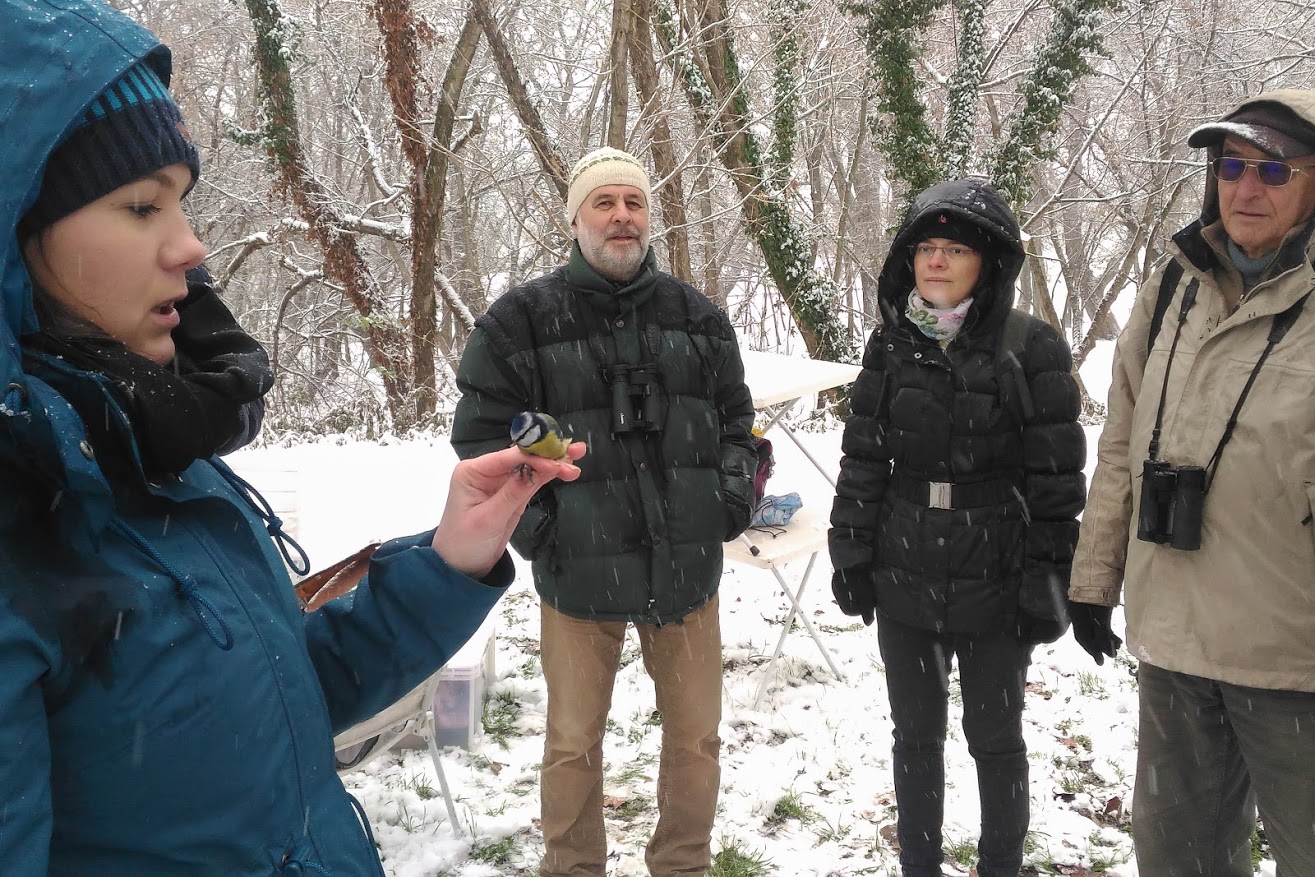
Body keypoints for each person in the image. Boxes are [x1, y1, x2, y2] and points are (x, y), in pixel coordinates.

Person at [0, 2, 583, 874]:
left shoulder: (155, 453)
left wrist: (451, 560)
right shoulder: (27, 514)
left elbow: (282, 700)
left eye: (183, 204)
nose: (190, 248)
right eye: (138, 206)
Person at [450, 146, 756, 877]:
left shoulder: (699, 319)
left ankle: (682, 864)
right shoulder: (520, 322)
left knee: (695, 739)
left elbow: (736, 423)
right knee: (570, 740)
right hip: (578, 572)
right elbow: (481, 438)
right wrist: (542, 529)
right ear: (576, 218)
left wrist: (728, 499)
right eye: (603, 203)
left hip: (685, 570)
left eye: (634, 203)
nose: (621, 217)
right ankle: (572, 866)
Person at [1069, 91, 1315, 875]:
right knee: (1178, 858)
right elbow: (1120, 442)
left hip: (1294, 657)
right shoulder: (1173, 286)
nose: (1245, 188)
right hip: (1173, 637)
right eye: (1230, 167)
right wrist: (1093, 577)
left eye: (1272, 169)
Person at [829, 178, 1086, 877]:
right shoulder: (890, 344)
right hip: (903, 566)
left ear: (987, 262)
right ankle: (919, 865)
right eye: (925, 248)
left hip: (994, 573)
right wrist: (849, 550)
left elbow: (1056, 480)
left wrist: (1048, 578)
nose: (936, 261)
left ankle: (999, 864)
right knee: (914, 737)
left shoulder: (1028, 346)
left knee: (994, 739)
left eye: (954, 249)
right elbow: (863, 454)